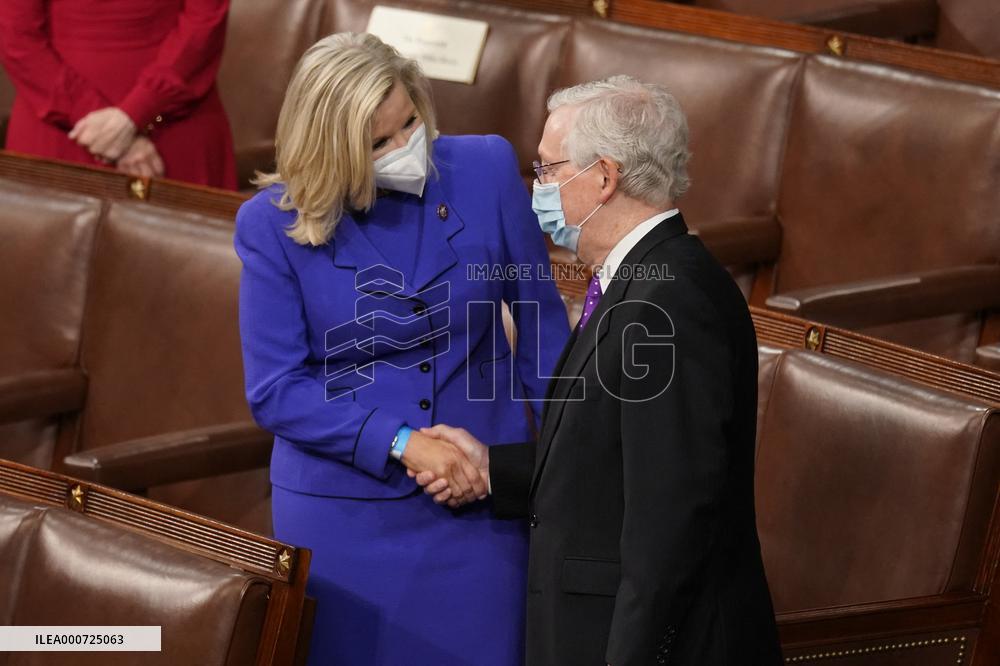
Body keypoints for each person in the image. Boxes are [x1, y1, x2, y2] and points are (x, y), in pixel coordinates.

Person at [415, 76, 783, 665]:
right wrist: (495, 469)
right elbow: (609, 458)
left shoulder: (669, 305)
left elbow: (667, 526)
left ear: (604, 178)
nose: (537, 189)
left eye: (547, 170)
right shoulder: (638, 281)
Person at [234, 33, 569, 666]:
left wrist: (562, 466)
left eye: (409, 123)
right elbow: (276, 390)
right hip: (344, 514)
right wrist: (400, 440)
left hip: (480, 493)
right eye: (378, 143)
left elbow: (542, 333)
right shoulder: (270, 225)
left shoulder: (487, 169)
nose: (403, 148)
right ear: (331, 152)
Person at [0, 0, 236, 188]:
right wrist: (127, 120)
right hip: (62, 136)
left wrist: (137, 112)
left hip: (174, 131)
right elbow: (17, 37)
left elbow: (204, 24)